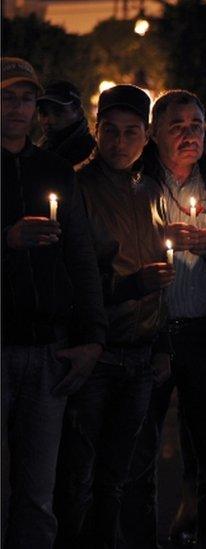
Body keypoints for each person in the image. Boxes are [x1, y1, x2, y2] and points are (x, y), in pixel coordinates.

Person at [115, 89, 206, 549]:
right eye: (177, 126)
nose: (189, 134)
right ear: (154, 134)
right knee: (138, 455)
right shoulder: (137, 184)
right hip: (150, 335)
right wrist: (155, 241)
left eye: (196, 124)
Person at [52, 84, 172, 549]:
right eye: (111, 131)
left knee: (116, 479)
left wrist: (162, 345)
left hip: (140, 357)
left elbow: (161, 276)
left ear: (146, 137)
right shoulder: (75, 186)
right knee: (77, 478)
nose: (120, 142)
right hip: (95, 357)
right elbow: (70, 277)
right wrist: (130, 286)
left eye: (131, 132)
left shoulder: (151, 189)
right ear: (97, 132)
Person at [1, 56, 106, 549]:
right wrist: (8, 240)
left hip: (49, 352)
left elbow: (81, 257)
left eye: (27, 99)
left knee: (38, 496)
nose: (20, 108)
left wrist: (91, 339)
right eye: (7, 97)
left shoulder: (54, 169)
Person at [37, 80, 96, 168]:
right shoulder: (43, 148)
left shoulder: (89, 154)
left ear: (79, 112)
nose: (49, 120)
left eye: (58, 112)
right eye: (43, 113)